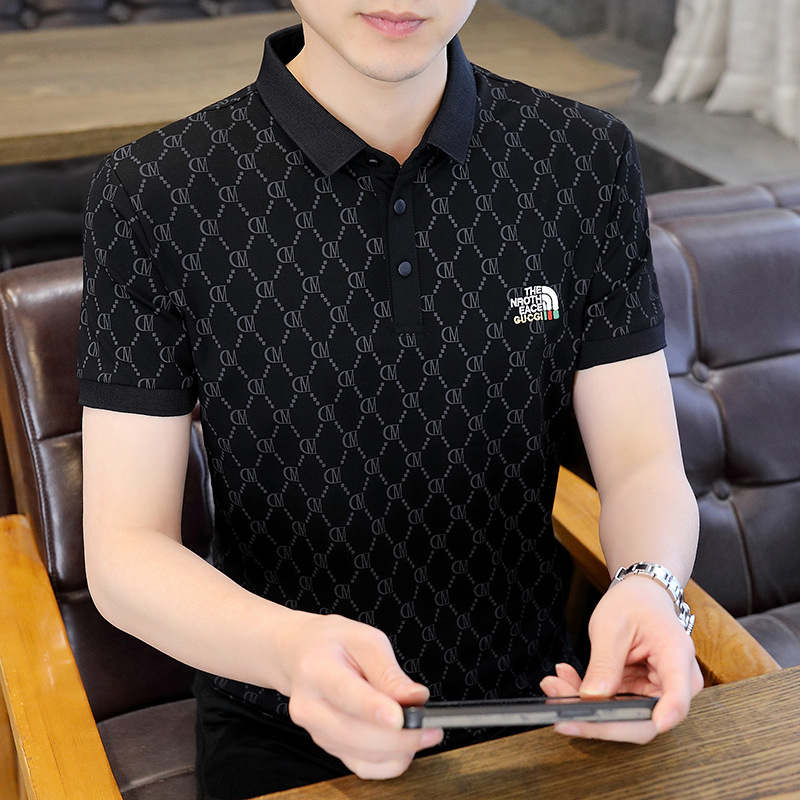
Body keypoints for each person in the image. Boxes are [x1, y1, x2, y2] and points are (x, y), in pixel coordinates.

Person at [78, 2, 704, 798]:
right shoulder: (152, 193)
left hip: (553, 705)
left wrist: (650, 584)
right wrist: (289, 652)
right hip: (283, 721)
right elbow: (125, 550)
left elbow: (643, 462)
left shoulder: (583, 158)